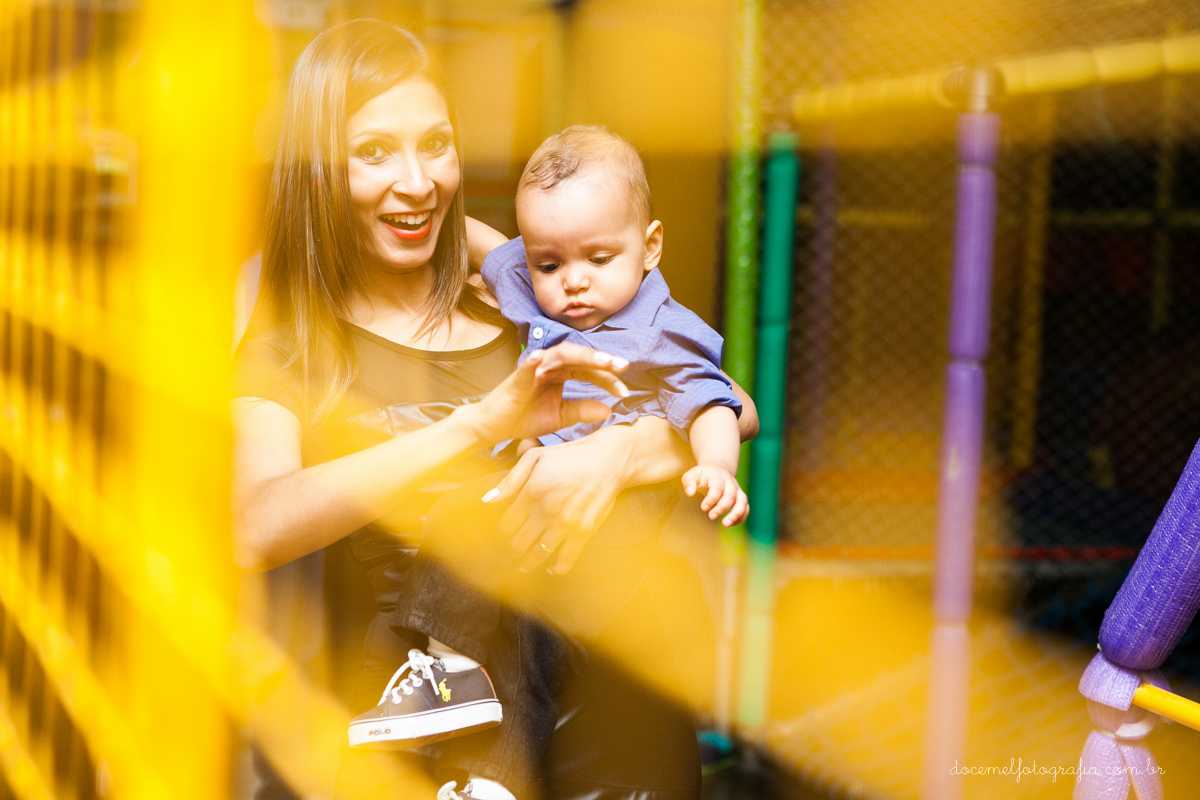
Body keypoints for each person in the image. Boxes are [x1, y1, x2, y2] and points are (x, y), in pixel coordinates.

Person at [230, 19, 757, 800]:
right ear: (317, 173)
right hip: (425, 738)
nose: (416, 181)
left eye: (435, 144)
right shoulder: (294, 343)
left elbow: (728, 404)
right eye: (372, 152)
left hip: (613, 708)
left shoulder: (522, 291)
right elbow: (256, 525)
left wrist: (612, 454)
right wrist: (477, 426)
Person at [351, 126, 750, 800]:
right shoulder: (528, 282)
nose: (575, 284)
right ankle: (489, 775)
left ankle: (449, 671)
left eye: (599, 257)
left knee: (469, 529)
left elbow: (718, 401)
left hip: (616, 522)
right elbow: (487, 247)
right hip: (537, 512)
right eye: (552, 263)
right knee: (519, 641)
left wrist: (717, 465)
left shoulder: (660, 326)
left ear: (650, 247)